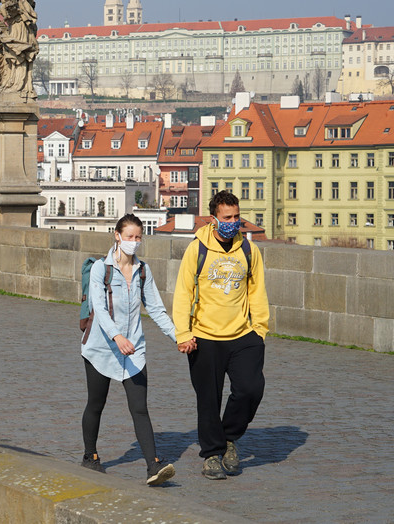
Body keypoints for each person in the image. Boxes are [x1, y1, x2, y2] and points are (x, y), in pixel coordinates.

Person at [172, 191, 270, 480]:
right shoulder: (197, 249)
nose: (233, 222)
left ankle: (229, 437)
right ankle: (212, 455)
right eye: (227, 218)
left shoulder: (249, 250)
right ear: (213, 219)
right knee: (208, 399)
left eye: (237, 216)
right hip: (204, 336)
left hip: (243, 334)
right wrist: (183, 333)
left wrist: (260, 329)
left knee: (251, 389)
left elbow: (257, 291)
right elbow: (182, 293)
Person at [80, 214, 179, 486]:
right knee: (96, 405)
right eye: (129, 237)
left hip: (134, 349)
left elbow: (156, 309)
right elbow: (98, 308)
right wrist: (117, 336)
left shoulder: (143, 270)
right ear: (117, 235)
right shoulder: (102, 268)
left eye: (138, 237)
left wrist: (178, 337)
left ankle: (152, 467)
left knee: (140, 408)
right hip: (101, 348)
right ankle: (90, 456)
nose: (134, 242)